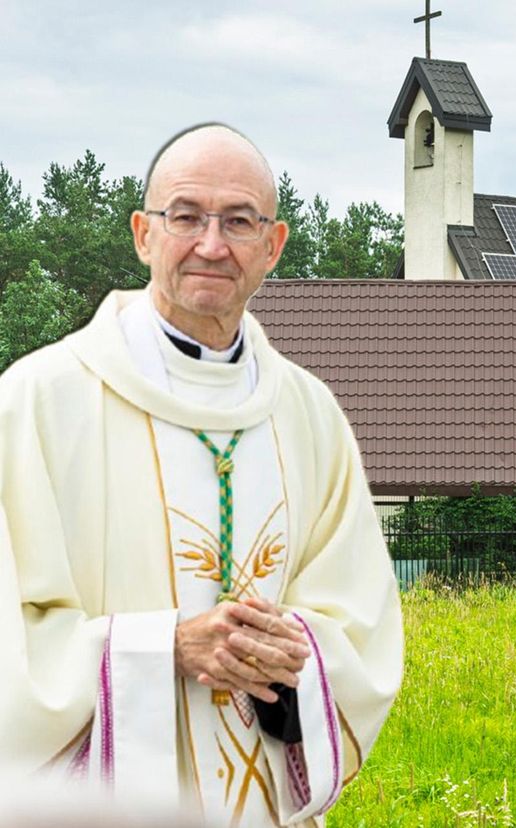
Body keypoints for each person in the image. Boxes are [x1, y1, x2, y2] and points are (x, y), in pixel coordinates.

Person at [0, 123, 404, 826]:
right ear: (142, 234)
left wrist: (295, 650)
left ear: (273, 246)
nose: (211, 244)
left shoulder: (308, 413)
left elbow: (359, 616)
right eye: (185, 216)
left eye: (239, 221)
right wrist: (162, 648)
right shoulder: (36, 401)